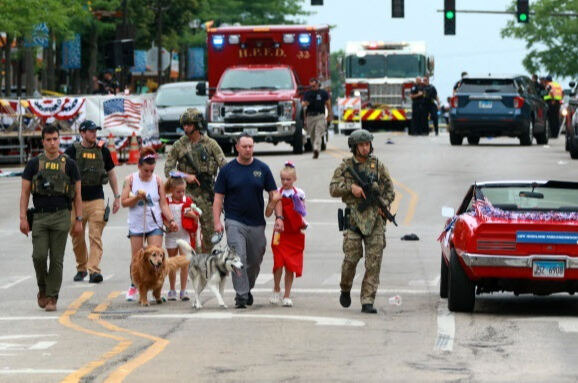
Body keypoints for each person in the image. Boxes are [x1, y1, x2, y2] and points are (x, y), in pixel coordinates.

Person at [213, 133, 283, 309]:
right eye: (244, 146)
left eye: (251, 146)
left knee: (255, 259)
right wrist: (217, 222)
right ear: (237, 147)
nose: (248, 149)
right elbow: (218, 199)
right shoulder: (227, 170)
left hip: (257, 223)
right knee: (239, 257)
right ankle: (241, 295)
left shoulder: (262, 168)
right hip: (234, 221)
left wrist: (279, 217)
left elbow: (275, 195)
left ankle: (247, 287)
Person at [329, 129, 395, 314]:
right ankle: (345, 287)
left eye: (367, 145)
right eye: (361, 145)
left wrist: (385, 205)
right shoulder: (346, 165)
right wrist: (352, 188)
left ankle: (367, 300)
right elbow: (333, 188)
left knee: (374, 262)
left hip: (375, 220)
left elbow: (390, 190)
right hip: (354, 220)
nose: (365, 148)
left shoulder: (378, 166)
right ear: (354, 147)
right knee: (351, 258)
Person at [19, 125, 83, 312]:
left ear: (59, 139)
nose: (52, 143)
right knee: (38, 256)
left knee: (57, 259)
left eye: (55, 139)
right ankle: (43, 289)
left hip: (62, 215)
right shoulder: (34, 164)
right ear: (43, 141)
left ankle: (52, 297)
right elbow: (24, 193)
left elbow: (77, 195)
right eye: (48, 139)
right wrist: (23, 218)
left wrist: (78, 219)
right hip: (39, 216)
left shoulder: (69, 164)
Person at [65, 120, 120, 283]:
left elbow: (111, 173)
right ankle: (81, 267)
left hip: (97, 198)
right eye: (90, 131)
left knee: (95, 235)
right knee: (77, 236)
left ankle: (94, 270)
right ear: (82, 133)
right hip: (76, 201)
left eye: (95, 131)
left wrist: (117, 196)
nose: (94, 134)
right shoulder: (72, 151)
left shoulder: (103, 150)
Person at [165, 108, 226, 253]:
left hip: (207, 194)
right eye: (184, 124)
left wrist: (221, 190)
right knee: (189, 230)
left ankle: (205, 260)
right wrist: (186, 176)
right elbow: (168, 170)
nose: (186, 128)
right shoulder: (179, 145)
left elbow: (224, 167)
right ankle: (195, 259)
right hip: (186, 195)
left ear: (197, 125)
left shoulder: (210, 144)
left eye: (189, 124)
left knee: (209, 232)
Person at [121, 147, 178, 301]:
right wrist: (137, 198)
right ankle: (135, 285)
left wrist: (171, 219)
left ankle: (157, 288)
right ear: (139, 166)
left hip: (154, 224)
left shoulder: (158, 180)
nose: (148, 174)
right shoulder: (130, 179)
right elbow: (124, 202)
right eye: (146, 170)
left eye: (151, 170)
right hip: (137, 224)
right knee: (137, 258)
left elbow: (163, 204)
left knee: (157, 256)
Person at [265, 161, 307, 307]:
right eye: (282, 179)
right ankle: (276, 288)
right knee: (278, 262)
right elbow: (268, 213)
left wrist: (303, 222)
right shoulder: (277, 193)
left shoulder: (299, 194)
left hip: (294, 233)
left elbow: (303, 212)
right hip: (280, 233)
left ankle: (287, 295)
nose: (285, 182)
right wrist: (273, 202)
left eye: (288, 179)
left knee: (290, 264)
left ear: (294, 179)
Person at [164, 175, 200, 301]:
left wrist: (193, 216)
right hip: (171, 236)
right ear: (171, 190)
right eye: (178, 191)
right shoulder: (167, 201)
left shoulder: (188, 201)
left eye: (183, 191)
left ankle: (183, 290)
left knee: (185, 263)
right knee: (172, 263)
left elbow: (196, 216)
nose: (181, 194)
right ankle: (172, 289)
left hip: (184, 235)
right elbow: (163, 217)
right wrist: (168, 225)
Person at [302, 77, 331, 159]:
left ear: (318, 84)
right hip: (310, 117)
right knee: (312, 135)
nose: (312, 87)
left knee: (318, 133)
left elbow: (328, 104)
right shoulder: (307, 94)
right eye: (311, 86)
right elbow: (302, 105)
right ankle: (315, 147)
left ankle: (316, 149)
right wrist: (305, 104)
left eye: (314, 86)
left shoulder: (323, 93)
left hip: (320, 116)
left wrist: (329, 115)